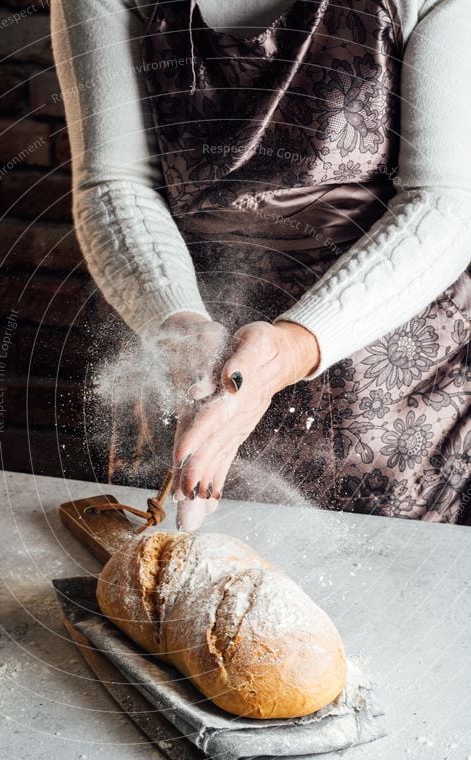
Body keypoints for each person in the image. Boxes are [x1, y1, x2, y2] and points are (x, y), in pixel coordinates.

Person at [51, 0, 471, 528]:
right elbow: (116, 182)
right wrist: (182, 330)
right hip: (181, 337)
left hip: (378, 378)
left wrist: (290, 347)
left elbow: (446, 202)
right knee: (163, 569)